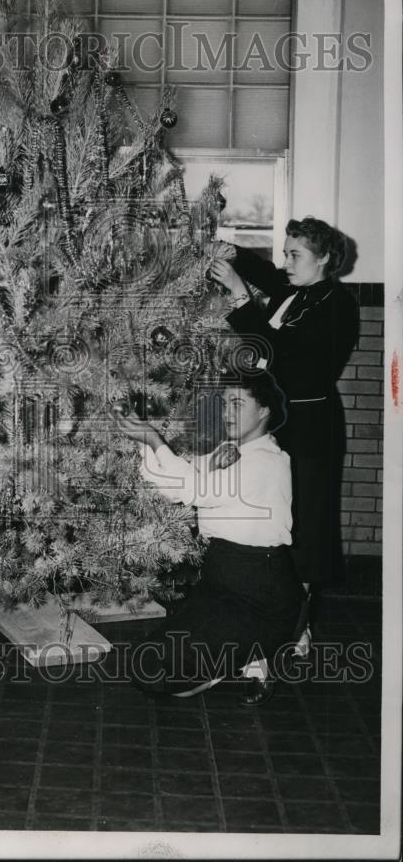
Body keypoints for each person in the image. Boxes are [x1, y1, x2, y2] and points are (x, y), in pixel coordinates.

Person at [208, 217, 359, 655]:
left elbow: (279, 356)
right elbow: (264, 272)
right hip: (287, 423)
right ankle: (280, 620)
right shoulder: (299, 291)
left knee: (306, 530)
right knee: (276, 521)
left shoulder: (337, 305)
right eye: (286, 251)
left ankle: (298, 627)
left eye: (295, 255)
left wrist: (238, 293)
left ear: (325, 258)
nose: (286, 262)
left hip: (311, 431)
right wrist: (215, 243)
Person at [113, 372, 303, 706]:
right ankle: (244, 657)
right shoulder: (229, 452)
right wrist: (144, 441)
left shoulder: (268, 462)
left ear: (264, 411)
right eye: (225, 403)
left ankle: (271, 644)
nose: (227, 412)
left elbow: (194, 489)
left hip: (260, 593)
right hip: (220, 584)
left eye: (238, 403)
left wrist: (156, 440)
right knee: (147, 665)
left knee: (167, 671)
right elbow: (173, 486)